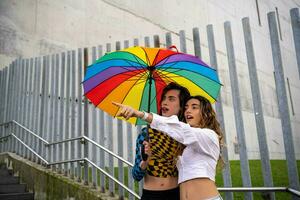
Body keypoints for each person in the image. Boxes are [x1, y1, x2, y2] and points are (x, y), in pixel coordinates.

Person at [113, 95, 224, 200]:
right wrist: (146, 160)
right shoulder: (184, 143)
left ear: (206, 113)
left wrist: (140, 114)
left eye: (194, 107)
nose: (188, 111)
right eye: (186, 108)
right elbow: (137, 174)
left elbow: (179, 128)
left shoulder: (209, 135)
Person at [130, 82, 190, 200]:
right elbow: (136, 176)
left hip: (178, 194)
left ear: (181, 106)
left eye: (171, 99)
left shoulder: (185, 134)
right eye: (163, 98)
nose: (164, 102)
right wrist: (144, 162)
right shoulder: (146, 134)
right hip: (152, 195)